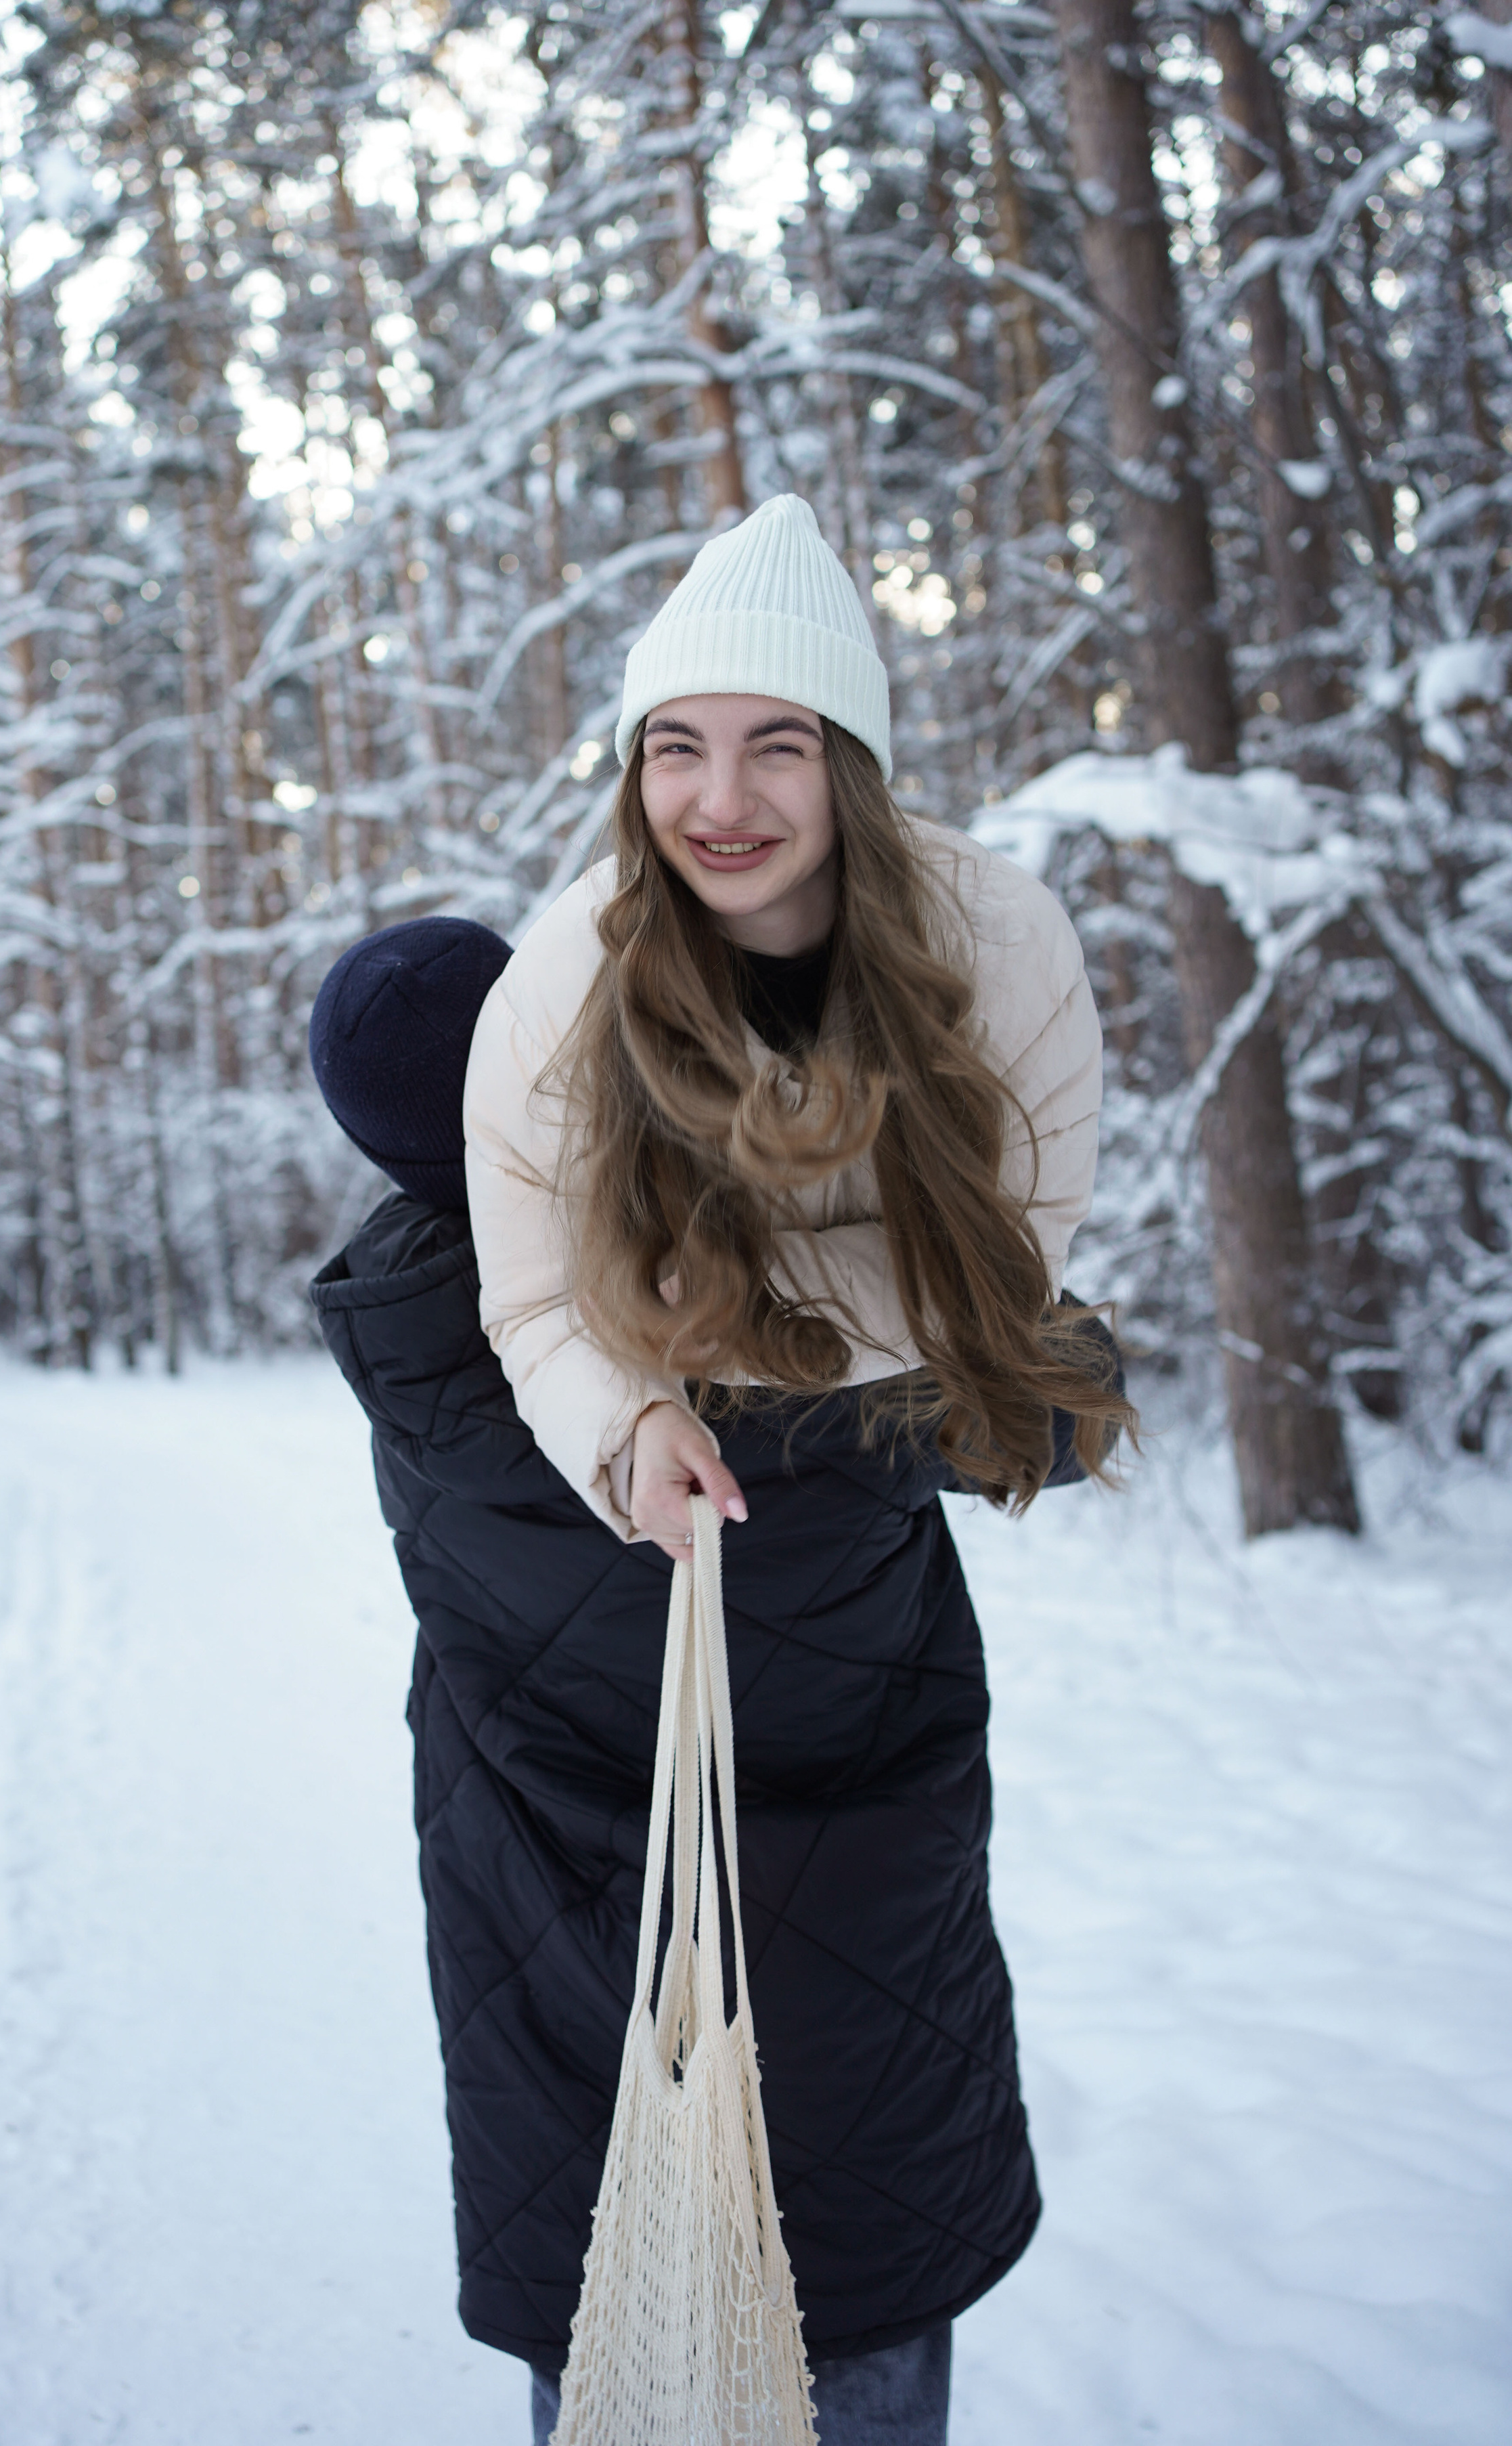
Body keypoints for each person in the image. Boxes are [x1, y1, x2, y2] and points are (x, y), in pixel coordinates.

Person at [312, 495, 1130, 2446]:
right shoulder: (568, 996)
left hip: (811, 1770)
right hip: (744, 1755)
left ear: (848, 761)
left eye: (774, 743)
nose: (722, 797)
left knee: (714, 2287)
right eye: (677, 745)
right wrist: (635, 1415)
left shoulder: (991, 947)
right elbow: (541, 1297)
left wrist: (750, 1355)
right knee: (745, 2287)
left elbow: (1018, 1243)